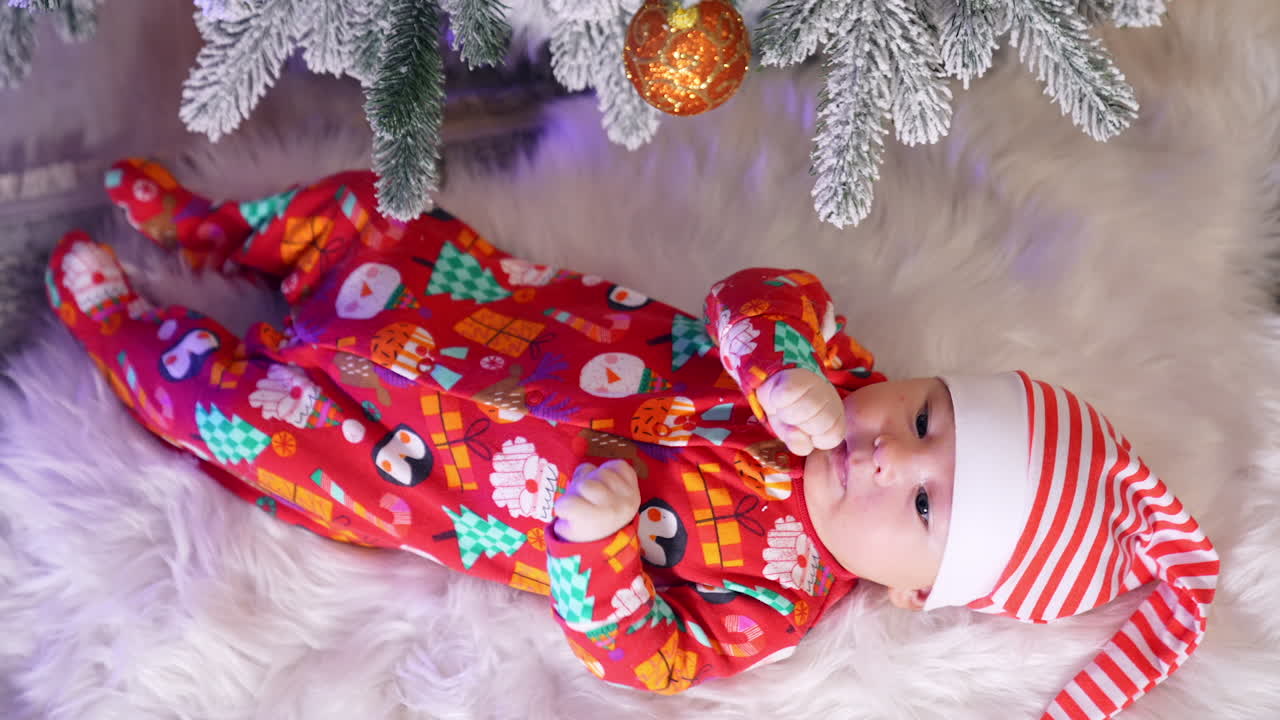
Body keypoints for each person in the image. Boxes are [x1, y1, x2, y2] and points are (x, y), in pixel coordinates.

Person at [45, 159, 1218, 720]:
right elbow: (755, 292)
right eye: (924, 420)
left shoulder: (775, 597)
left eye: (923, 505)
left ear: (913, 597)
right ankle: (212, 227)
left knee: (242, 424)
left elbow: (646, 658)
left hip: (409, 471)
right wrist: (780, 370)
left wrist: (599, 550)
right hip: (468, 301)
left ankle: (121, 325)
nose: (888, 454)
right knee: (359, 220)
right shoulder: (823, 367)